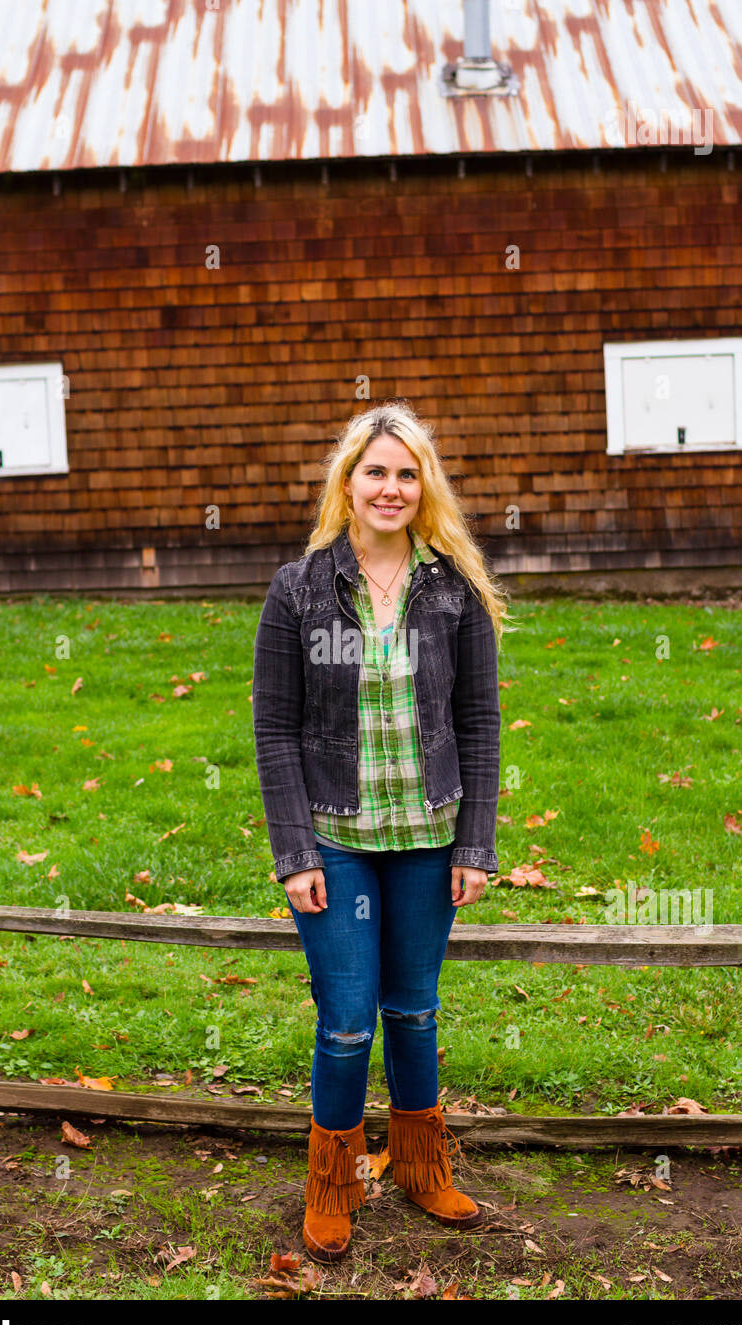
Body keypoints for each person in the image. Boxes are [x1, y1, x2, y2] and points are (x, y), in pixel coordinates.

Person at [252, 400, 506, 1262]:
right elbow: (275, 731)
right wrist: (294, 854)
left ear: (423, 487)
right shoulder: (299, 589)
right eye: (376, 471)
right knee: (349, 1020)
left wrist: (475, 846)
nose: (391, 487)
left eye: (407, 473)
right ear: (347, 483)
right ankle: (332, 1181)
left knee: (416, 1011)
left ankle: (421, 1168)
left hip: (429, 838)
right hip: (335, 838)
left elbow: (480, 724)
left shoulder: (453, 591)